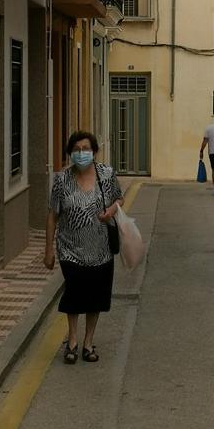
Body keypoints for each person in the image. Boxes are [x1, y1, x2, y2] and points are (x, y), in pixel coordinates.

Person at [44, 131, 123, 364]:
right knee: (75, 293)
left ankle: (88, 343)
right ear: (70, 153)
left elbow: (119, 199)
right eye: (76, 149)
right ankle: (73, 341)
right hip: (70, 249)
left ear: (94, 151)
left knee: (95, 297)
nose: (81, 153)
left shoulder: (106, 175)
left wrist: (111, 210)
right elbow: (52, 215)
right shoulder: (62, 181)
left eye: (85, 149)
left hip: (101, 249)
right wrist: (48, 249)